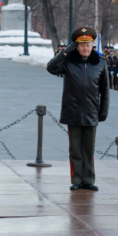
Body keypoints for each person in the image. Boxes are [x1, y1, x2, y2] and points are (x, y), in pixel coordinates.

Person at [47, 27, 110, 191]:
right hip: (72, 112)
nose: (85, 48)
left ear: (92, 46)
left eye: (88, 45)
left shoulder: (100, 63)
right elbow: (51, 67)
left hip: (91, 112)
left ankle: (88, 180)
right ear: (76, 46)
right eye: (82, 45)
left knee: (88, 149)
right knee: (75, 149)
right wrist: (65, 52)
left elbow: (105, 90)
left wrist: (103, 111)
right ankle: (76, 179)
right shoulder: (68, 62)